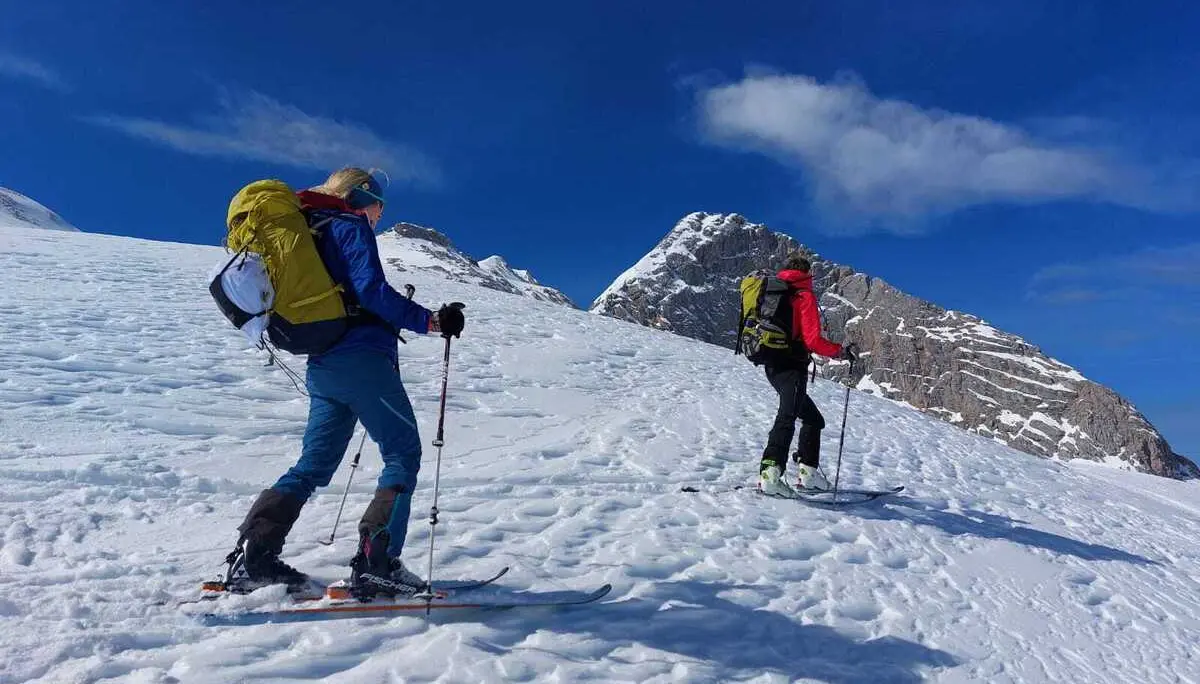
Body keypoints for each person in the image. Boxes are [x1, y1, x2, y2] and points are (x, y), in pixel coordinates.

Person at [226, 168, 466, 597]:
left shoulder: (311, 229)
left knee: (312, 466)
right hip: (361, 360)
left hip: (324, 363)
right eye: (379, 204)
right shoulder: (348, 225)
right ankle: (378, 564)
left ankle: (254, 556)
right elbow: (371, 291)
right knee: (402, 453)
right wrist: (431, 320)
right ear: (362, 197)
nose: (381, 214)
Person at [758, 252, 855, 498]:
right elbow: (812, 340)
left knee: (812, 419)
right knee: (787, 416)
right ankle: (771, 473)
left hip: (772, 365)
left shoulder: (775, 292)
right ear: (807, 274)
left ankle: (809, 473)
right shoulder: (803, 295)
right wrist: (840, 352)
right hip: (792, 365)